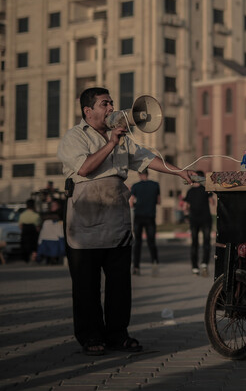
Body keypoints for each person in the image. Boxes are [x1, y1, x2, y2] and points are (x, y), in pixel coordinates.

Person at [57, 87, 194, 356]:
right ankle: (90, 336)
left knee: (120, 282)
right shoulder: (74, 137)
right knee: (86, 284)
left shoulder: (122, 138)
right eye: (104, 104)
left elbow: (146, 159)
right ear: (88, 111)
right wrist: (111, 144)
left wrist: (180, 172)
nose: (111, 108)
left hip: (116, 217)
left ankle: (118, 335)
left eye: (111, 103)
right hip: (85, 218)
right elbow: (84, 168)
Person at [129, 170, 160, 276]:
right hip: (150, 216)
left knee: (137, 243)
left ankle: (136, 267)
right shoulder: (155, 185)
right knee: (152, 242)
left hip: (139, 217)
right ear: (147, 174)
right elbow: (159, 201)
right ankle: (155, 264)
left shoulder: (135, 186)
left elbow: (131, 202)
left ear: (139, 174)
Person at [184, 170, 213, 276]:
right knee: (206, 242)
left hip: (195, 219)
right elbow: (212, 203)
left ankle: (195, 267)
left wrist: (186, 215)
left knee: (194, 243)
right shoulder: (205, 189)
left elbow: (185, 207)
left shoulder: (190, 191)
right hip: (205, 219)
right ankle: (204, 263)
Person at [18, 199, 41, 263]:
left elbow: (20, 226)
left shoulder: (22, 214)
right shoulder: (36, 215)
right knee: (34, 246)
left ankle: (26, 259)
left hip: (25, 233)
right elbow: (38, 227)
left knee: (25, 246)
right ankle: (34, 258)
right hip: (33, 233)